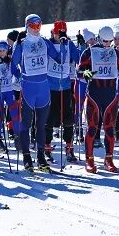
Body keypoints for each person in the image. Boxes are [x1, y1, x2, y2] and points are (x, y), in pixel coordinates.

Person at [10, 14, 66, 171]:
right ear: (27, 26)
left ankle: (41, 156)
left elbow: (60, 59)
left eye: (39, 25)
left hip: (43, 87)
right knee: (26, 124)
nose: (36, 29)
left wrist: (63, 43)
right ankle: (27, 157)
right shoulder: (21, 43)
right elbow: (13, 65)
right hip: (28, 87)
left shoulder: (45, 42)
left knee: (41, 125)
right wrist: (19, 76)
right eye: (33, 26)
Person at [77, 26, 119, 173]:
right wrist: (85, 72)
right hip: (94, 94)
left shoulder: (115, 52)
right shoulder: (89, 51)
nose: (107, 44)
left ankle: (109, 159)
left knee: (110, 129)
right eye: (105, 41)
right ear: (99, 38)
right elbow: (78, 71)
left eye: (110, 41)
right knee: (92, 127)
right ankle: (89, 160)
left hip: (110, 95)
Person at [45, 20, 80, 164]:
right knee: (49, 118)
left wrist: (76, 45)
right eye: (57, 33)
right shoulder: (47, 43)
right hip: (50, 86)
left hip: (65, 86)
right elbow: (56, 57)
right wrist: (63, 46)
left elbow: (78, 57)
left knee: (68, 119)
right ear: (53, 33)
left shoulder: (68, 43)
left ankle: (69, 147)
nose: (60, 36)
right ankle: (46, 147)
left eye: (62, 33)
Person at [0, 40, 21, 152]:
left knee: (15, 113)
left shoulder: (10, 61)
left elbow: (16, 72)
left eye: (3, 50)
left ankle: (18, 137)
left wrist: (21, 74)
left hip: (9, 90)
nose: (2, 52)